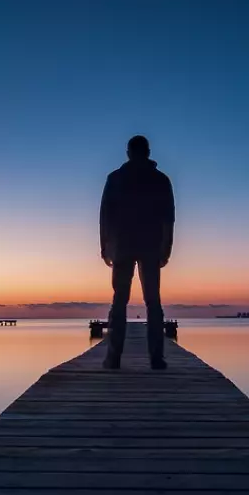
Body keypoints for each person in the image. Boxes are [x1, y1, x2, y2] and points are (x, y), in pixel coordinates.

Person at [100, 135, 174, 369]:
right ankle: (156, 358)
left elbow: (105, 217)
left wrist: (105, 245)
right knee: (153, 302)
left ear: (128, 152)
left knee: (120, 301)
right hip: (150, 245)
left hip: (122, 245)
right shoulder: (160, 179)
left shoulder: (115, 178)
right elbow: (168, 219)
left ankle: (113, 358)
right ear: (148, 152)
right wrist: (166, 247)